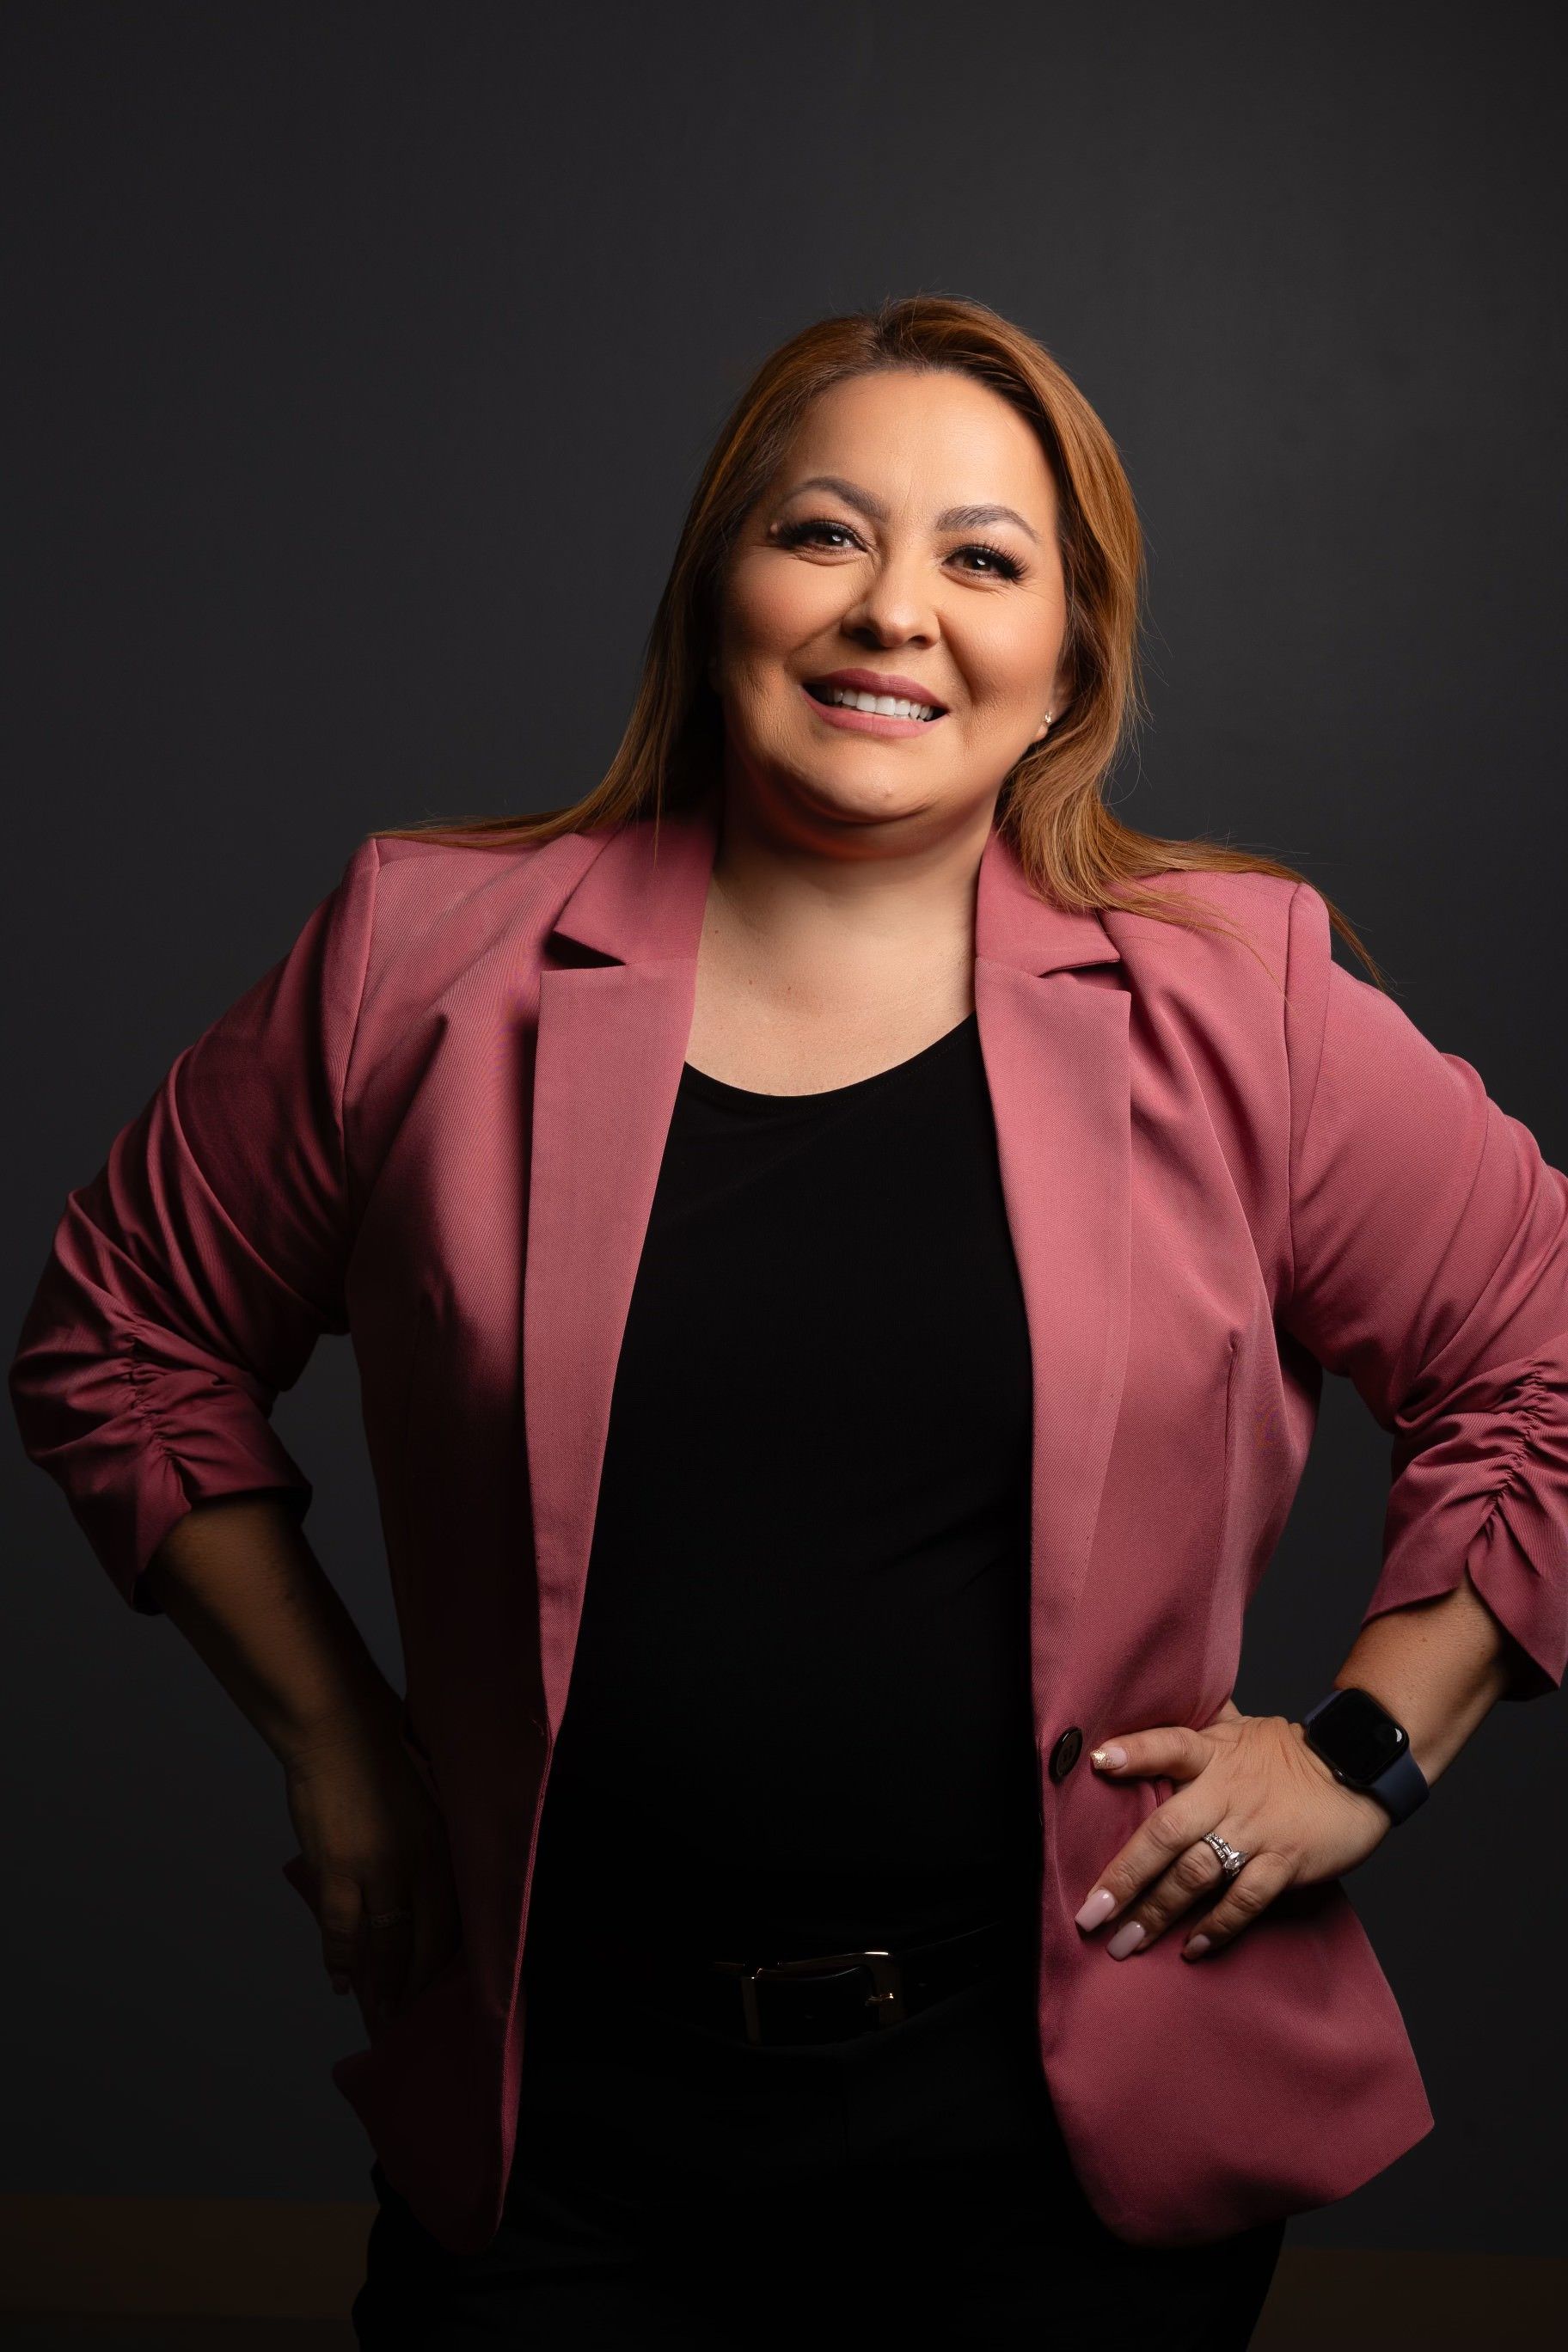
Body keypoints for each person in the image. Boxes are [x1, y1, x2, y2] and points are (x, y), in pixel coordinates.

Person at [10, 293, 1566, 2349]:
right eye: (825, 533)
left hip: (1064, 2148)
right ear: (719, 591)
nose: (894, 611)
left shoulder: (1236, 997)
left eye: (983, 560)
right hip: (568, 2124)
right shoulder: (427, 960)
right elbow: (119, 1332)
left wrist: (1370, 1747)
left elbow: (1541, 1363)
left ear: (1067, 662)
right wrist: (339, 1741)